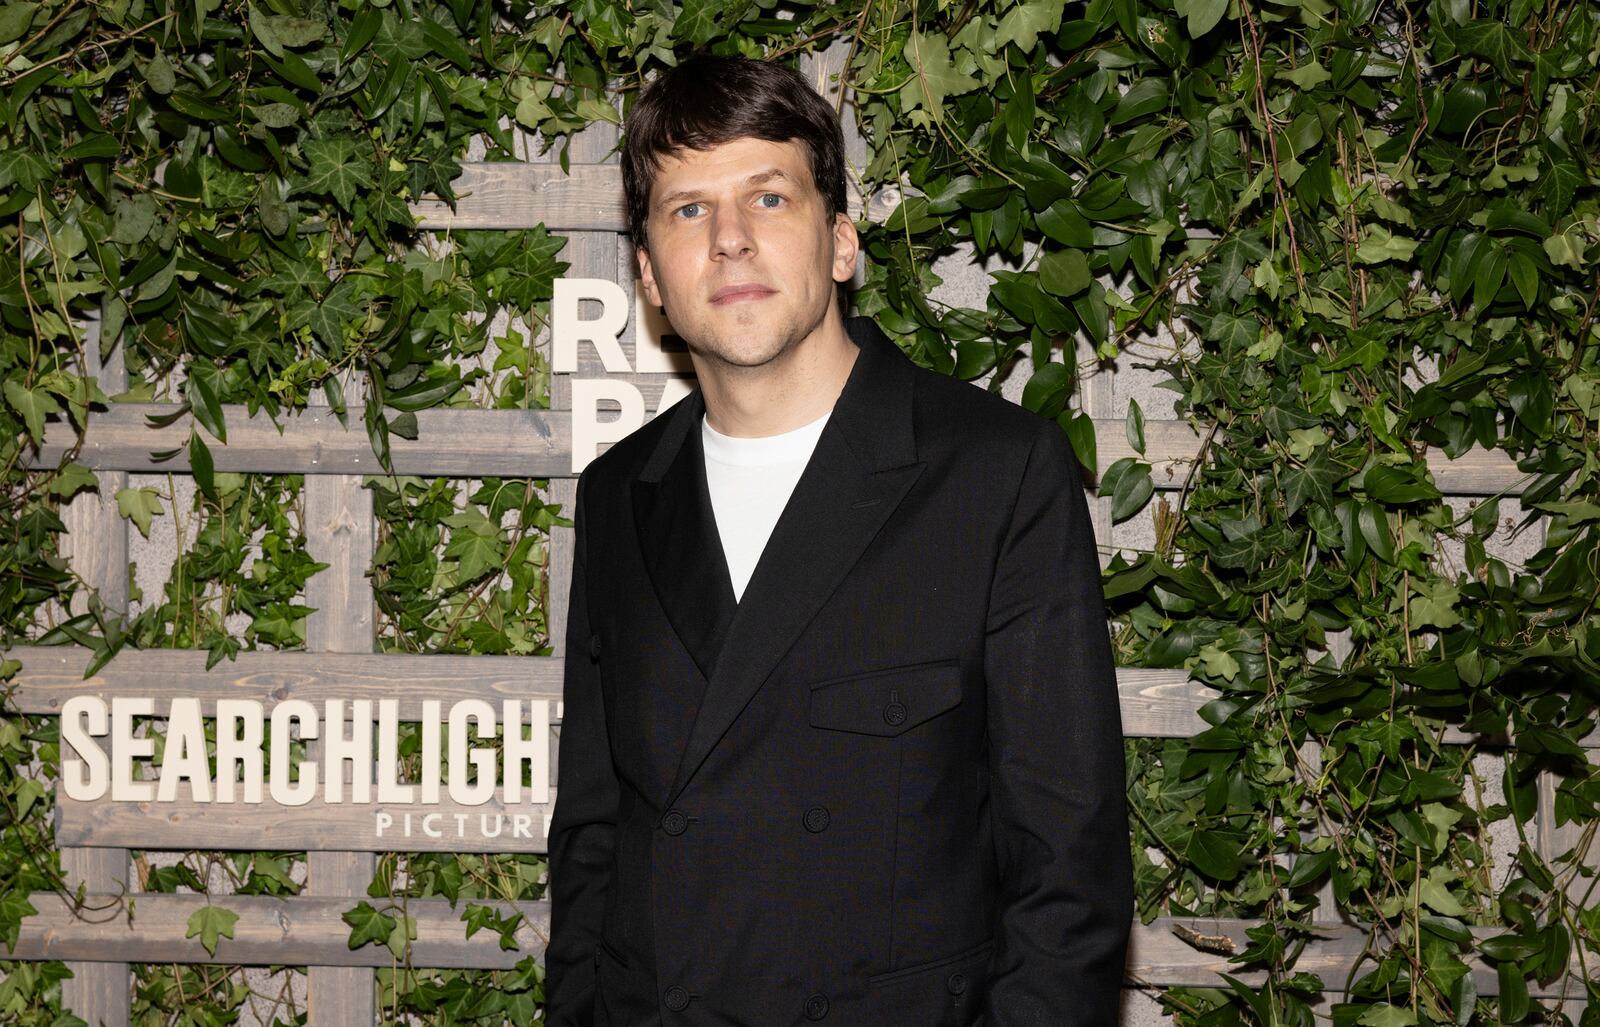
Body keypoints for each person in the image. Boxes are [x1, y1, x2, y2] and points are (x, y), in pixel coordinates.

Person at [545, 53, 1132, 1026]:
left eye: (767, 197)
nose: (729, 240)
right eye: (687, 209)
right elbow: (594, 830)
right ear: (648, 274)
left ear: (842, 242)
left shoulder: (995, 473)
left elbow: (1067, 878)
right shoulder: (617, 494)